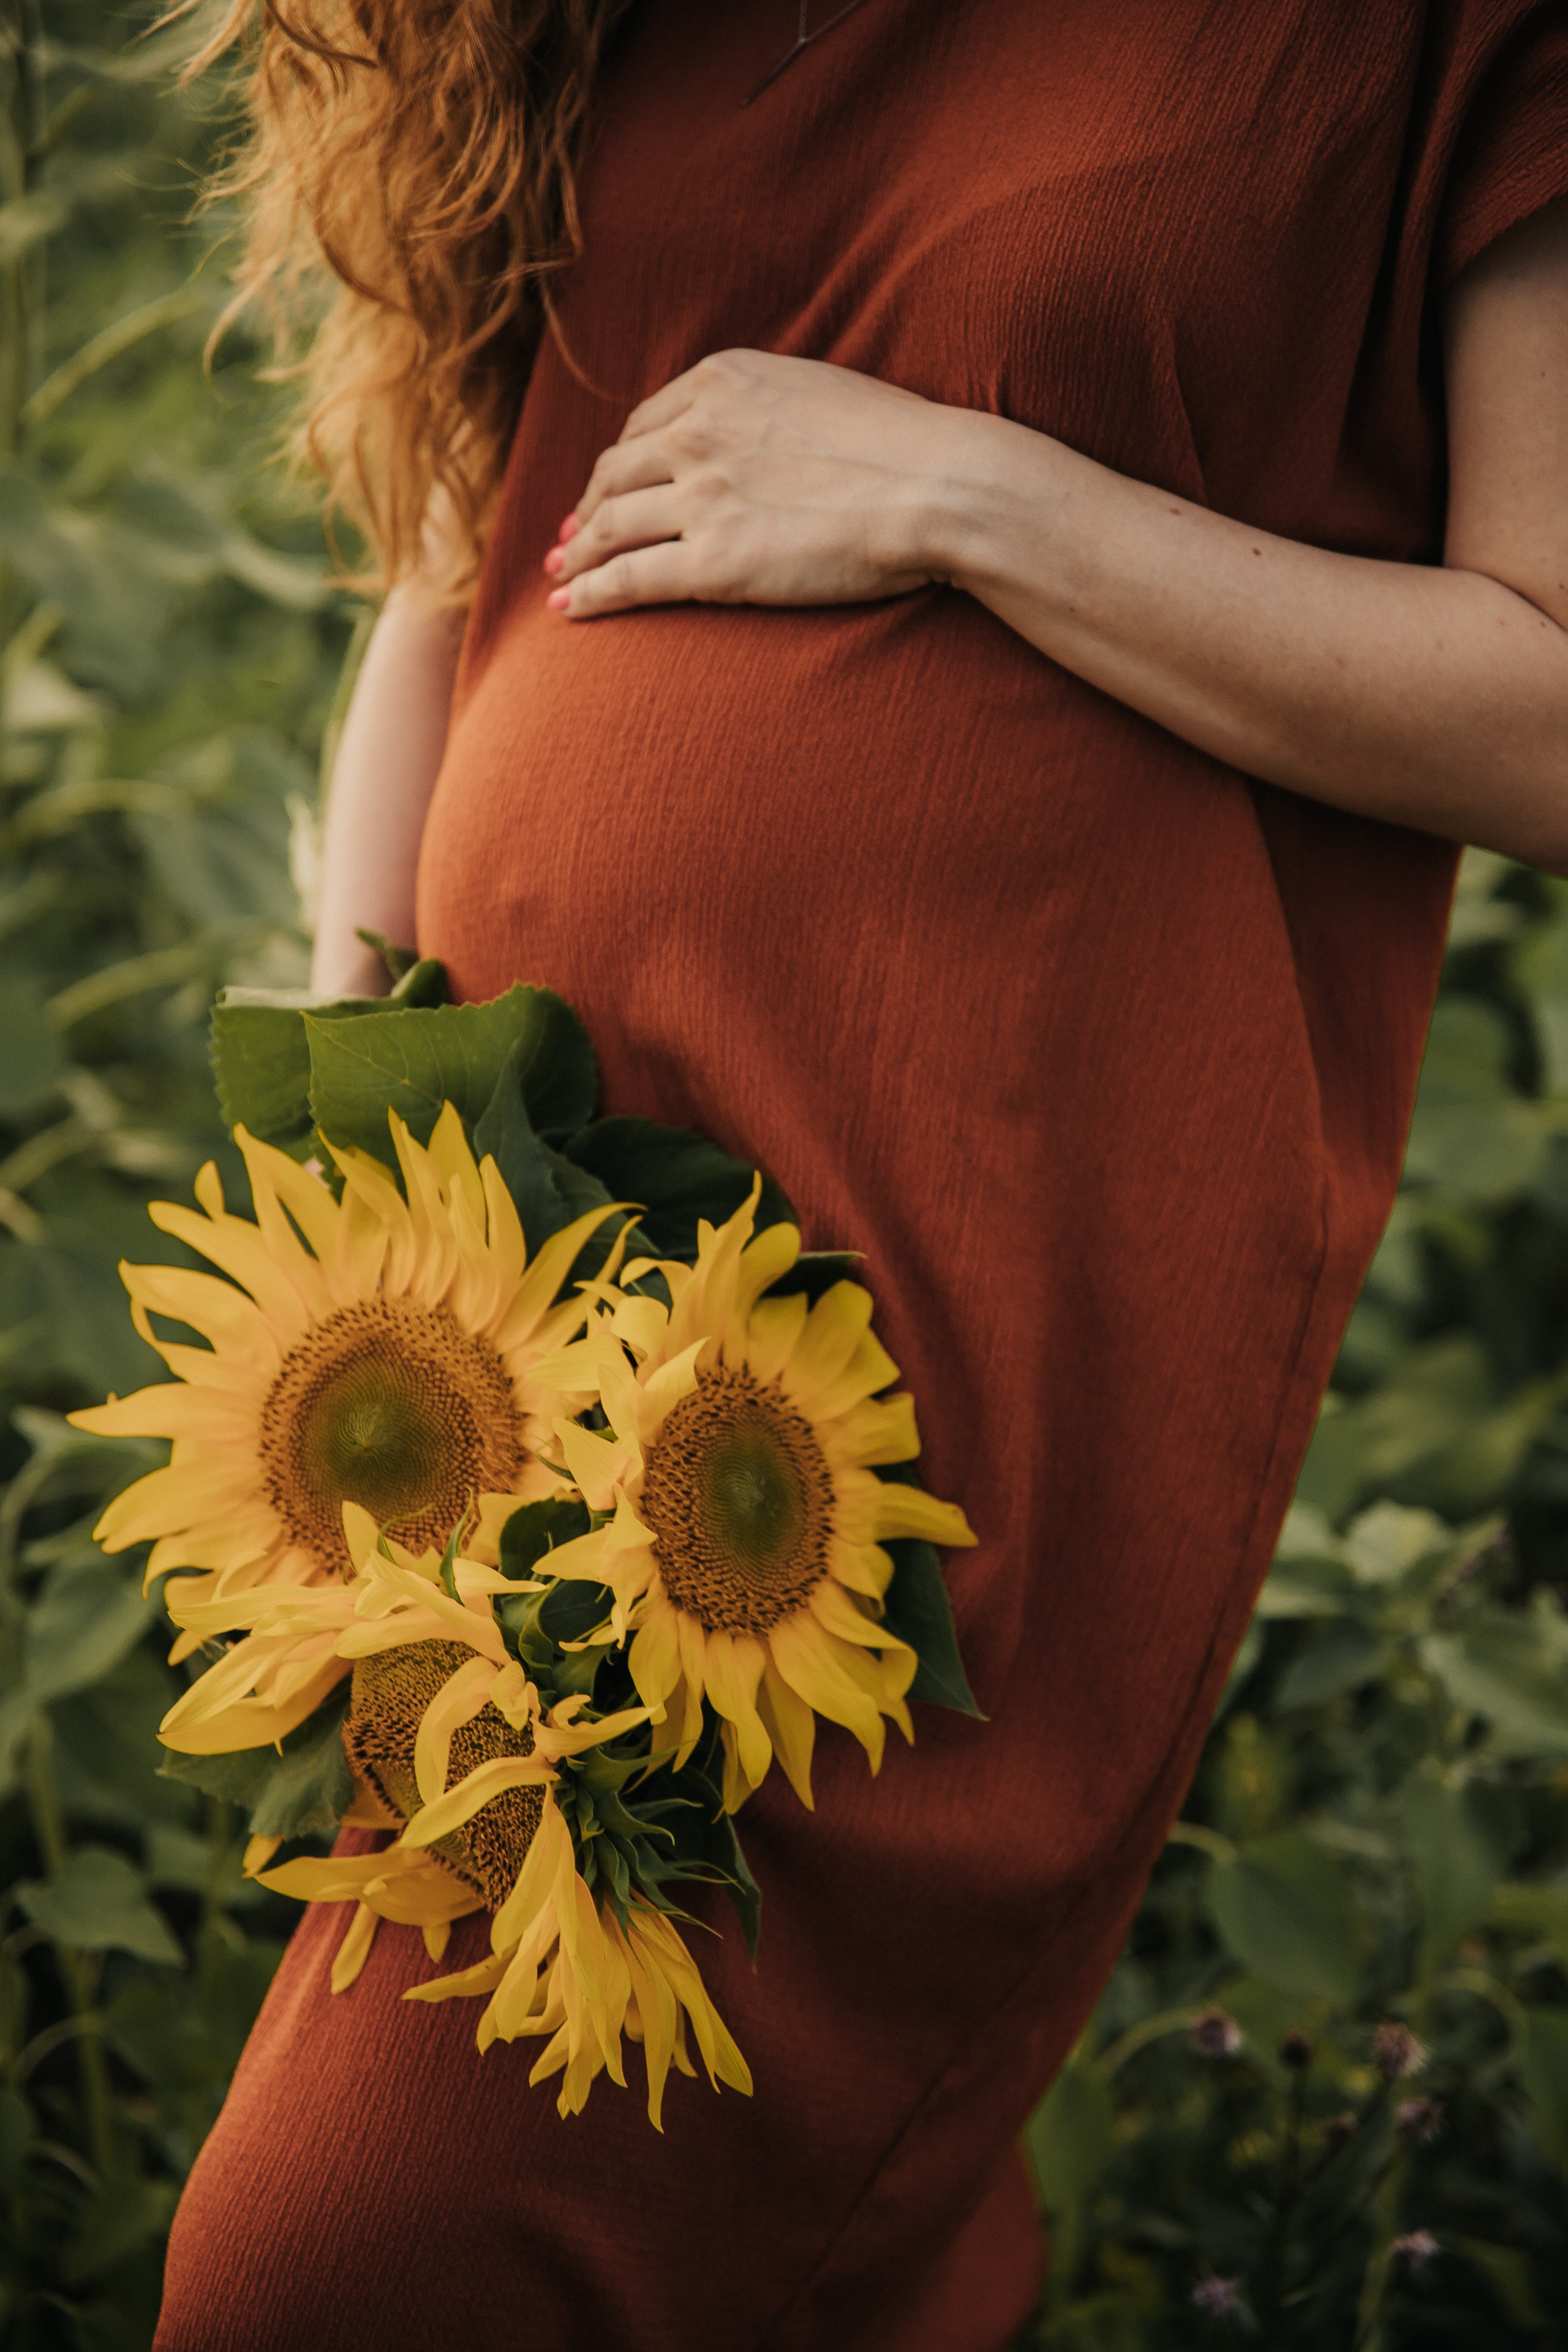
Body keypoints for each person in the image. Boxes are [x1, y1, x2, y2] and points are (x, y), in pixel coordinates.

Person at [154, 4, 1568, 2347]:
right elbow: (463, 574)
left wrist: (965, 491)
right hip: (497, 1317)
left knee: (346, 2261)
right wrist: (355, 1205)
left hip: (934, 1346)